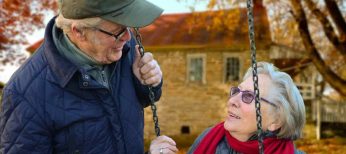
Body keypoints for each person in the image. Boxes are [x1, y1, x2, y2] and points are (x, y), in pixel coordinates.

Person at [0, 0, 177, 153]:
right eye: (118, 31)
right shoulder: (25, 95)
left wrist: (149, 82)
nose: (127, 37)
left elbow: (139, 100)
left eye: (129, 27)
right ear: (79, 32)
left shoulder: (123, 48)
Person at [188, 62, 306, 154]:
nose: (232, 101)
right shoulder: (208, 138)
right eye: (236, 91)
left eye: (249, 96)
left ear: (276, 120)